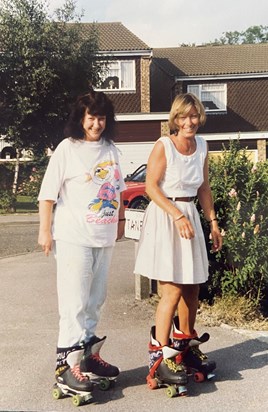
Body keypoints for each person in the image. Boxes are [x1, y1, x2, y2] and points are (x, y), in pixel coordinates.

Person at [38, 90, 126, 395]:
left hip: (104, 238)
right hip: (73, 237)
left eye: (102, 118)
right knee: (73, 302)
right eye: (91, 117)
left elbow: (117, 190)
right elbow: (47, 194)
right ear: (81, 118)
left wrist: (121, 222)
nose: (97, 124)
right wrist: (44, 231)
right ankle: (66, 367)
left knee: (95, 300)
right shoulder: (67, 149)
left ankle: (87, 359)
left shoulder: (111, 150)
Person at [134, 93, 223, 390]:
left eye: (194, 116)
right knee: (171, 288)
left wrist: (212, 222)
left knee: (192, 287)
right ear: (175, 119)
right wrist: (175, 215)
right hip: (166, 215)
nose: (190, 122)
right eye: (183, 117)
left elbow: (204, 188)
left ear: (200, 117)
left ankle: (184, 347)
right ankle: (160, 357)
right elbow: (150, 186)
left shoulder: (202, 147)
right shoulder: (164, 146)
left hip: (190, 216)